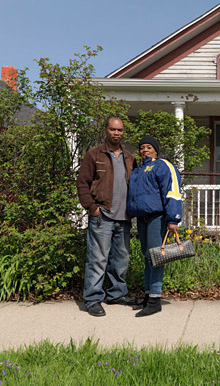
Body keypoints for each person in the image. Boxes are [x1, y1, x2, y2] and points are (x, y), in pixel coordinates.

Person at [76, 116, 137, 317]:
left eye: (119, 130)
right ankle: (93, 298)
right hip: (102, 215)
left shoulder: (129, 157)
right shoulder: (94, 155)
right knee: (97, 259)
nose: (116, 133)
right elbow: (82, 184)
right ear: (106, 130)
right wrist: (92, 208)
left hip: (124, 217)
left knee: (121, 259)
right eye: (113, 129)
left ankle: (117, 293)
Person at [126, 135, 182, 317]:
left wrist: (173, 218)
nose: (144, 150)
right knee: (147, 257)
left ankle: (155, 300)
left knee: (156, 257)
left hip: (157, 217)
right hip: (142, 218)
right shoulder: (139, 170)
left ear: (156, 149)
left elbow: (172, 190)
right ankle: (148, 296)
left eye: (148, 147)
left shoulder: (163, 165)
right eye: (142, 147)